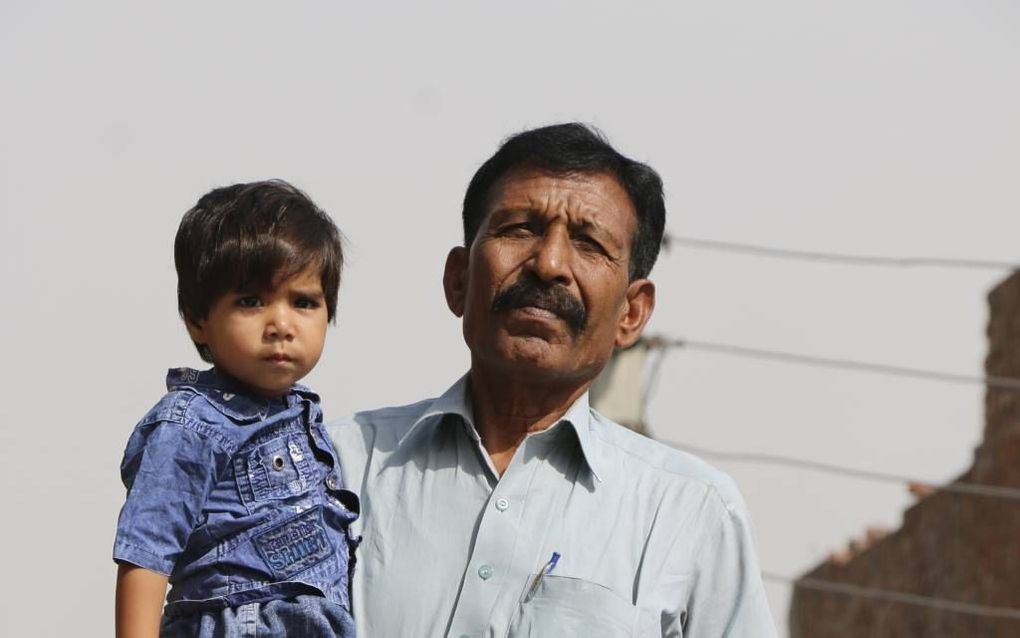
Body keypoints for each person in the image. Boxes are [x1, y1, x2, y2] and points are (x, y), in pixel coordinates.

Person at [330, 123, 776, 637]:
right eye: (519, 228)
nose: (549, 264)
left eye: (589, 243)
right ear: (458, 280)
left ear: (632, 313)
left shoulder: (690, 514)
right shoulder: (337, 470)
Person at [113, 180, 359, 637]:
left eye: (304, 302)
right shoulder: (192, 422)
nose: (281, 325)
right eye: (251, 301)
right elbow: (145, 551)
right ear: (197, 320)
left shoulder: (302, 417)